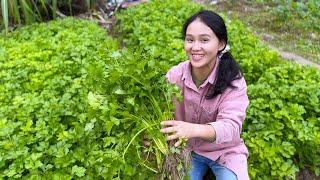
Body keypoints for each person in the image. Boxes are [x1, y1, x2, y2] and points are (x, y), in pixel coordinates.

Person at [160, 10, 249, 180]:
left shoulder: (233, 81)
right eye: (190, 40)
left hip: (223, 152)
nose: (195, 47)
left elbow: (231, 127)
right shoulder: (174, 76)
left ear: (221, 44)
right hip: (185, 149)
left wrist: (192, 129)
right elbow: (159, 109)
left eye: (204, 40)